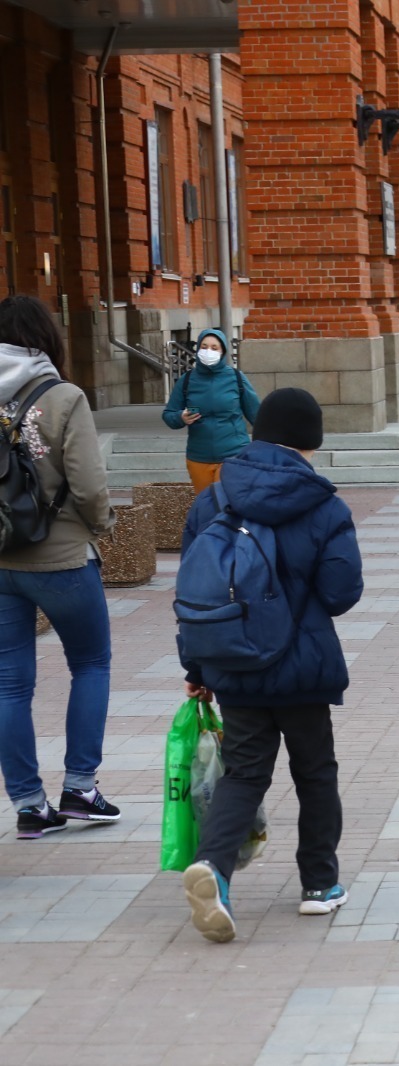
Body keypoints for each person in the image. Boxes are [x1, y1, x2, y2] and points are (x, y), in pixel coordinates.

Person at [179, 388, 363, 943]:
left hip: (233, 665)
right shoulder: (323, 503)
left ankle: (213, 867)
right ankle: (319, 886)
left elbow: (193, 596)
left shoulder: (211, 500)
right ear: (311, 441)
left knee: (245, 772)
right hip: (302, 667)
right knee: (315, 771)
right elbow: (340, 593)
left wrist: (197, 669)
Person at [0, 296, 121, 839]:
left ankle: (29, 806)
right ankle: (80, 788)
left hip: (0, 560)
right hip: (63, 556)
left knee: (8, 686)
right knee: (90, 662)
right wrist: (102, 524)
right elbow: (90, 485)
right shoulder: (64, 396)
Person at [162, 328, 261, 494]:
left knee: (224, 503)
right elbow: (168, 415)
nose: (209, 351)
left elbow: (257, 416)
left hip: (233, 454)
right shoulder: (186, 380)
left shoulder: (236, 378)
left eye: (215, 348)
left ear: (223, 352)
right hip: (199, 457)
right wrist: (181, 417)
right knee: (207, 508)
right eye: (204, 346)